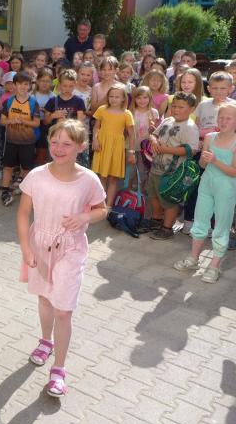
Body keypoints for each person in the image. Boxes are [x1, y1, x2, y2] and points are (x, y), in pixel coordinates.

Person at [17, 118, 107, 398]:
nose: (59, 148)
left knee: (64, 310)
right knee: (44, 299)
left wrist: (84, 217)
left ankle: (59, 370)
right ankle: (46, 341)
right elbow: (23, 213)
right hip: (40, 245)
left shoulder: (88, 179)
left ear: (81, 146)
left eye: (67, 144)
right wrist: (26, 248)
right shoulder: (36, 175)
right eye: (54, 142)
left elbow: (102, 209)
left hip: (71, 249)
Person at [174, 104, 236, 283]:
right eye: (221, 117)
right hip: (206, 184)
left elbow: (234, 172)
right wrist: (204, 159)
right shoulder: (210, 137)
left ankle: (214, 266)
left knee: (221, 225)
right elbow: (202, 165)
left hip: (227, 188)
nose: (223, 121)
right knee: (200, 220)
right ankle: (193, 259)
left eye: (228, 118)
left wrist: (215, 160)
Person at [147, 92, 200, 240]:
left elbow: (191, 150)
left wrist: (166, 149)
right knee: (153, 195)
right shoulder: (168, 120)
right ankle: (157, 220)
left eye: (181, 107)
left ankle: (167, 228)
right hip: (156, 167)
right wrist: (154, 140)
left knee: (169, 201)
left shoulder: (190, 127)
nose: (176, 109)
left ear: (191, 109)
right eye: (174, 106)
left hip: (172, 173)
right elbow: (154, 134)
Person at [91, 84, 136, 207]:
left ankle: (109, 206)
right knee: (101, 177)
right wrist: (95, 140)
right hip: (102, 145)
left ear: (123, 98)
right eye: (111, 96)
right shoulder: (102, 109)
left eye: (117, 97)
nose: (113, 99)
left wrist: (131, 152)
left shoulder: (127, 114)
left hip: (116, 147)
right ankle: (99, 205)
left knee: (113, 178)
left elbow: (132, 135)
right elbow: (96, 127)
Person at [0, 72, 41, 206]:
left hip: (27, 142)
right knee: (8, 167)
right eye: (20, 84)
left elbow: (37, 123)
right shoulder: (8, 102)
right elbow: (2, 121)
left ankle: (26, 193)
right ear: (15, 85)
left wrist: (23, 121)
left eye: (26, 84)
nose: (23, 87)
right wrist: (11, 121)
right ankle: (5, 191)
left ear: (29, 86)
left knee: (27, 169)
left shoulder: (33, 103)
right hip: (11, 141)